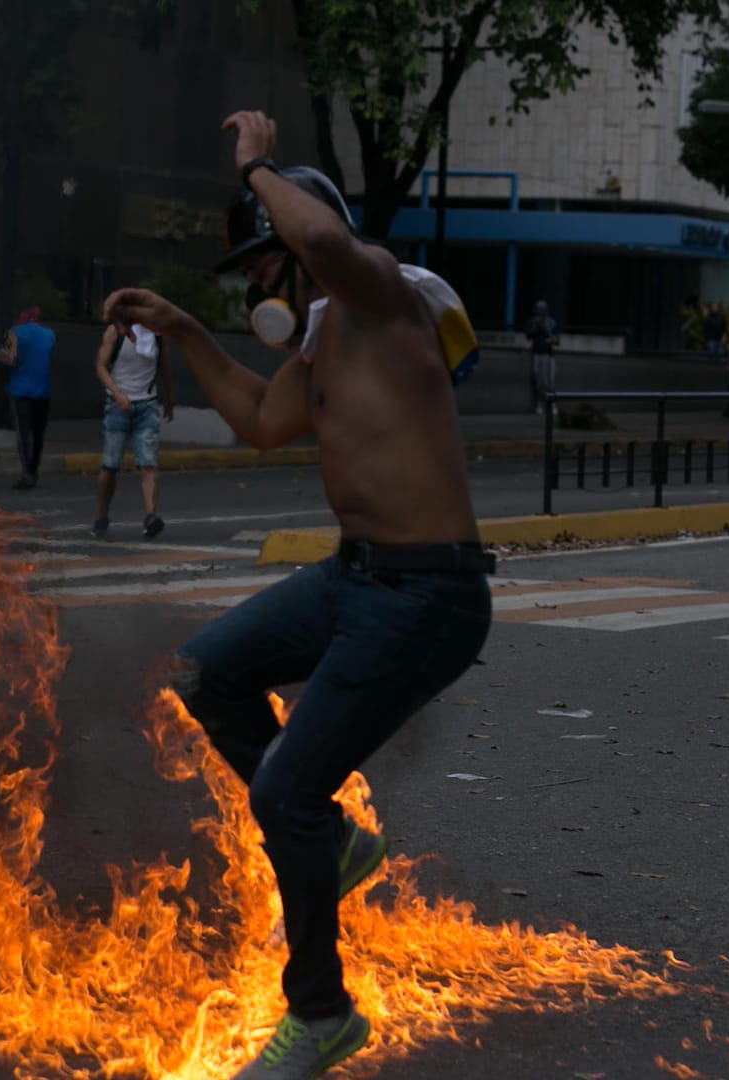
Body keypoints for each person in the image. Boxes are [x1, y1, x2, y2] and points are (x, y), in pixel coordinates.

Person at [104, 110, 493, 1080]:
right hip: (354, 578)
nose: (260, 290)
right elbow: (261, 421)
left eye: (262, 268)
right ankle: (338, 840)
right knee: (208, 673)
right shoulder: (320, 345)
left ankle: (320, 1017)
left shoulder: (381, 298)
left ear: (298, 239)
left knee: (283, 788)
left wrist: (256, 164)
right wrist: (186, 329)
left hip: (426, 596)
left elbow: (324, 241)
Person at [92, 321, 175, 539]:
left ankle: (150, 516)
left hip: (147, 405)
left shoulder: (157, 334)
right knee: (110, 464)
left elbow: (164, 364)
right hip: (118, 405)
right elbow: (100, 366)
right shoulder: (115, 331)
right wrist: (118, 394)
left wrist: (169, 398)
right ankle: (102, 516)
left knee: (148, 463)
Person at [3, 306, 54, 489]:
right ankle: (34, 470)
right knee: (38, 434)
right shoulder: (49, 334)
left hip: (20, 390)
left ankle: (27, 474)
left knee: (23, 434)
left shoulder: (14, 333)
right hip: (42, 390)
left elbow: (11, 359)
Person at [525, 300, 559, 414]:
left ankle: (552, 404)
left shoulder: (551, 323)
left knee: (549, 381)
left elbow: (557, 340)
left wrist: (551, 339)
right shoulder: (533, 321)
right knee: (538, 380)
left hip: (548, 355)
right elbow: (528, 335)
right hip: (537, 354)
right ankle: (539, 404)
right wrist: (535, 326)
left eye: (541, 310)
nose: (539, 313)